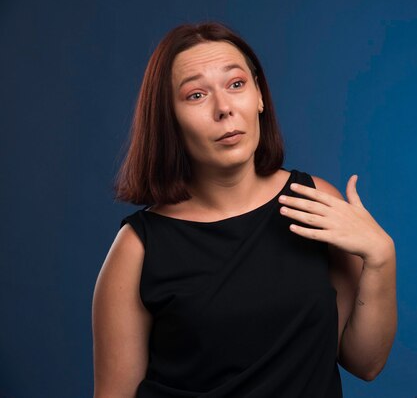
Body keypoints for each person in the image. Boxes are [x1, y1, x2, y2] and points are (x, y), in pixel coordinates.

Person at [92, 21, 397, 398]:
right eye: (196, 95)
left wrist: (382, 257)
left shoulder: (312, 201)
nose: (224, 109)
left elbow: (365, 363)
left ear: (259, 97)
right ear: (168, 119)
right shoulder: (138, 248)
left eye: (236, 85)